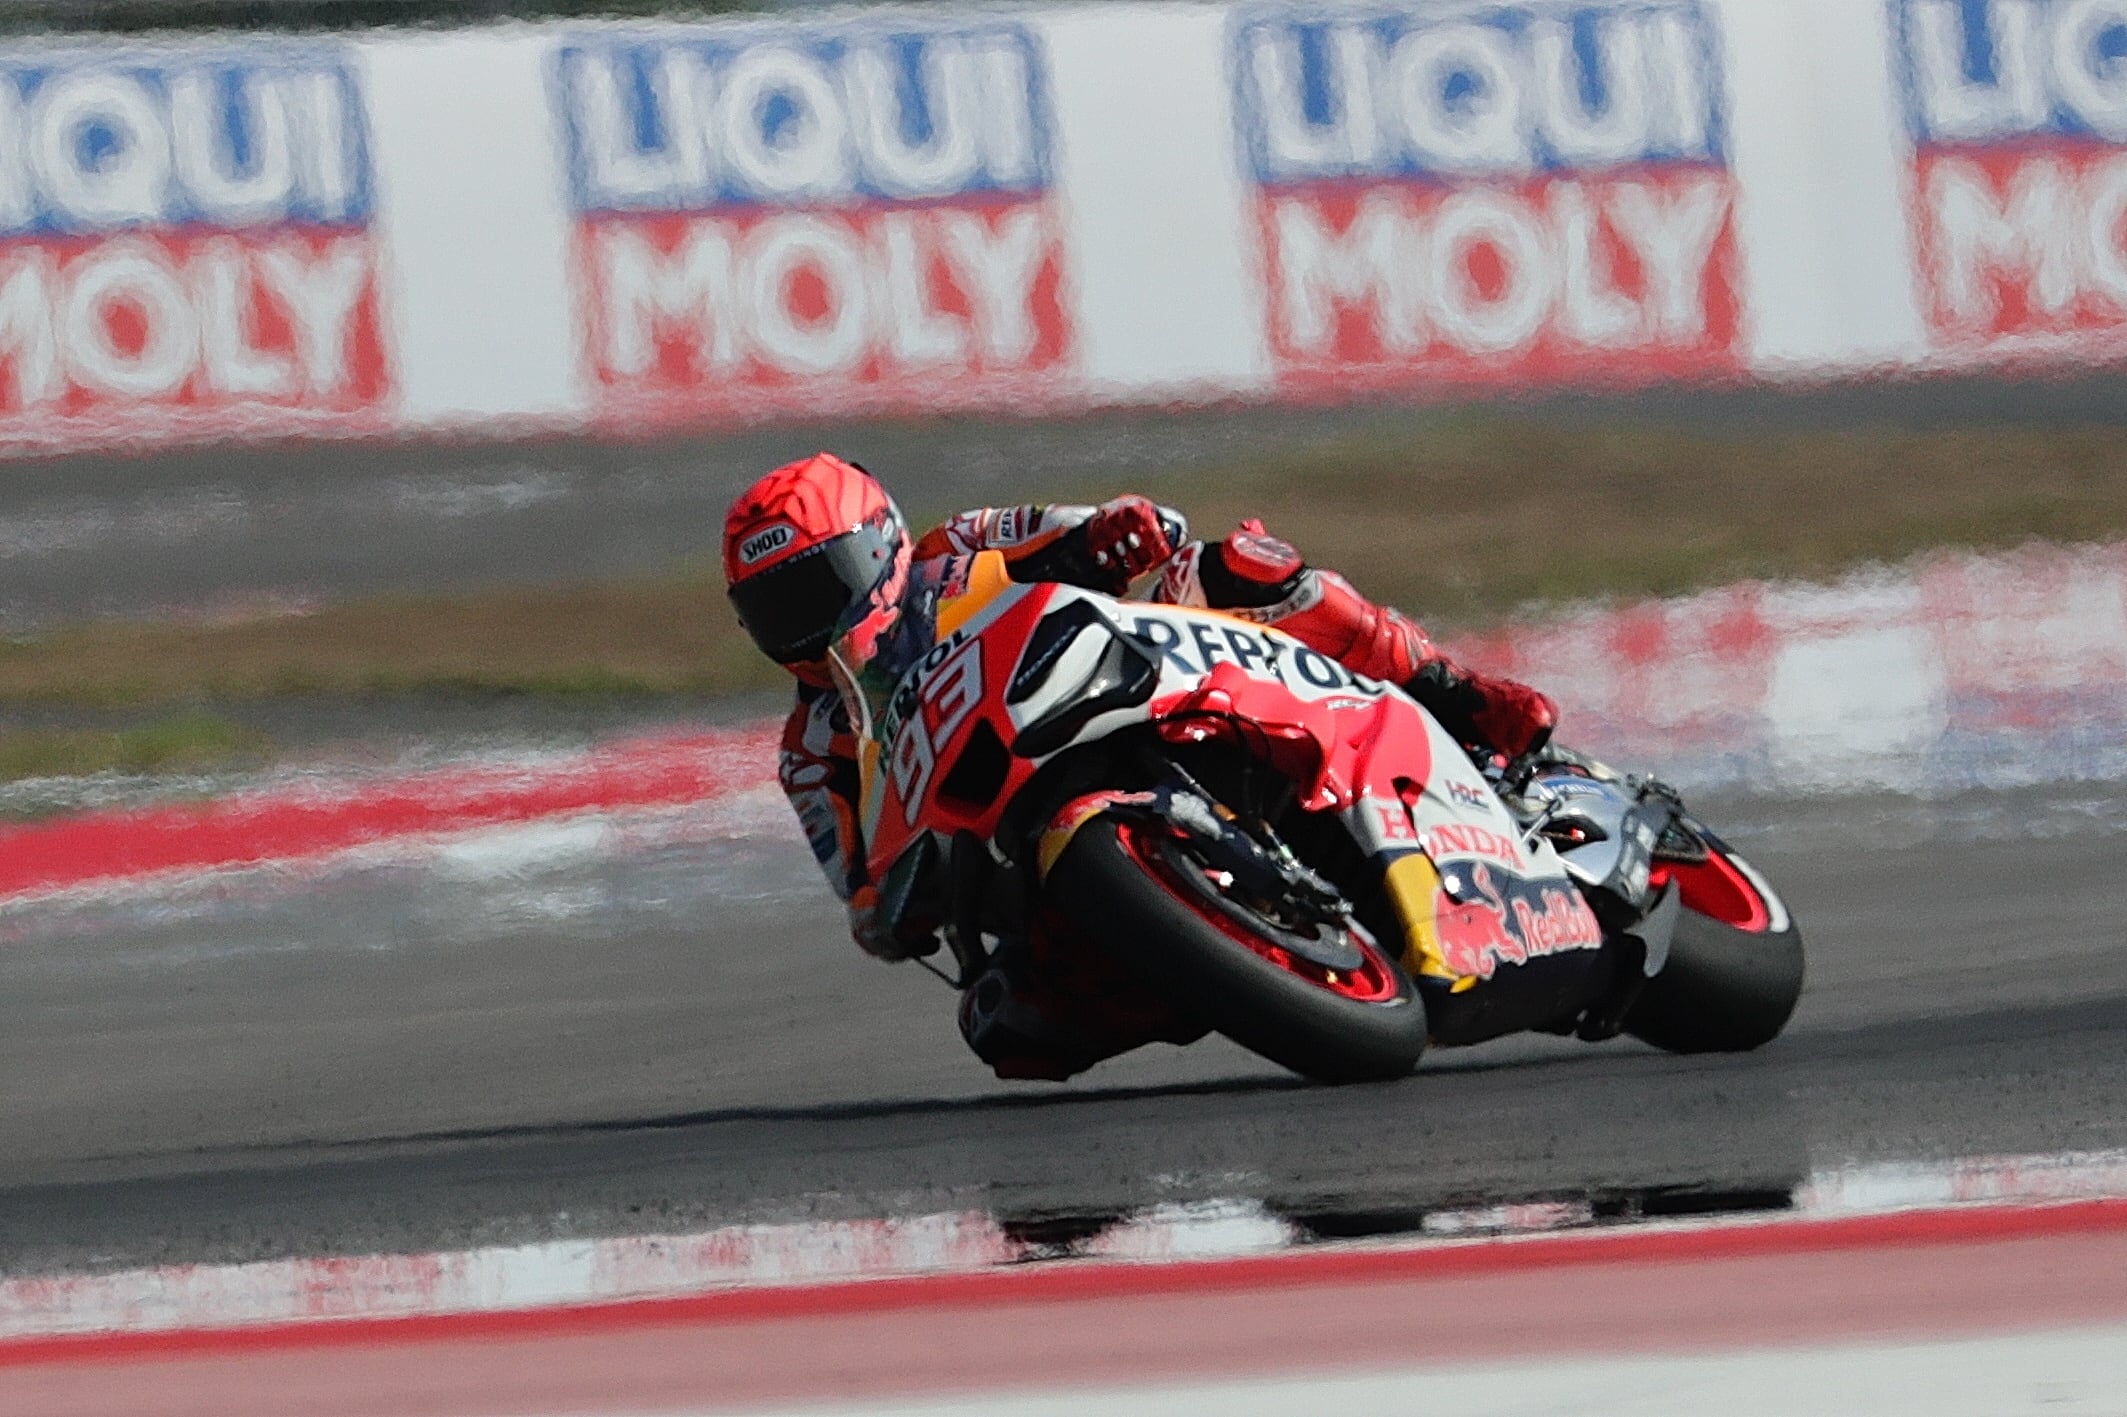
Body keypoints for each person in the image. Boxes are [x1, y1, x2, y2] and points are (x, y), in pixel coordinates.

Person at [723, 452, 1557, 1079]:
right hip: (1009, 844)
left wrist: (1113, 536)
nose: (802, 622)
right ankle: (1201, 956)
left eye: (815, 584)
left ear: (879, 545)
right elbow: (860, 897)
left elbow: (1114, 523)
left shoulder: (960, 546)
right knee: (1002, 1027)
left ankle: (1453, 693)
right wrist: (893, 910)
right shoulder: (809, 753)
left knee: (1231, 566)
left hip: (1127, 684)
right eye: (774, 609)